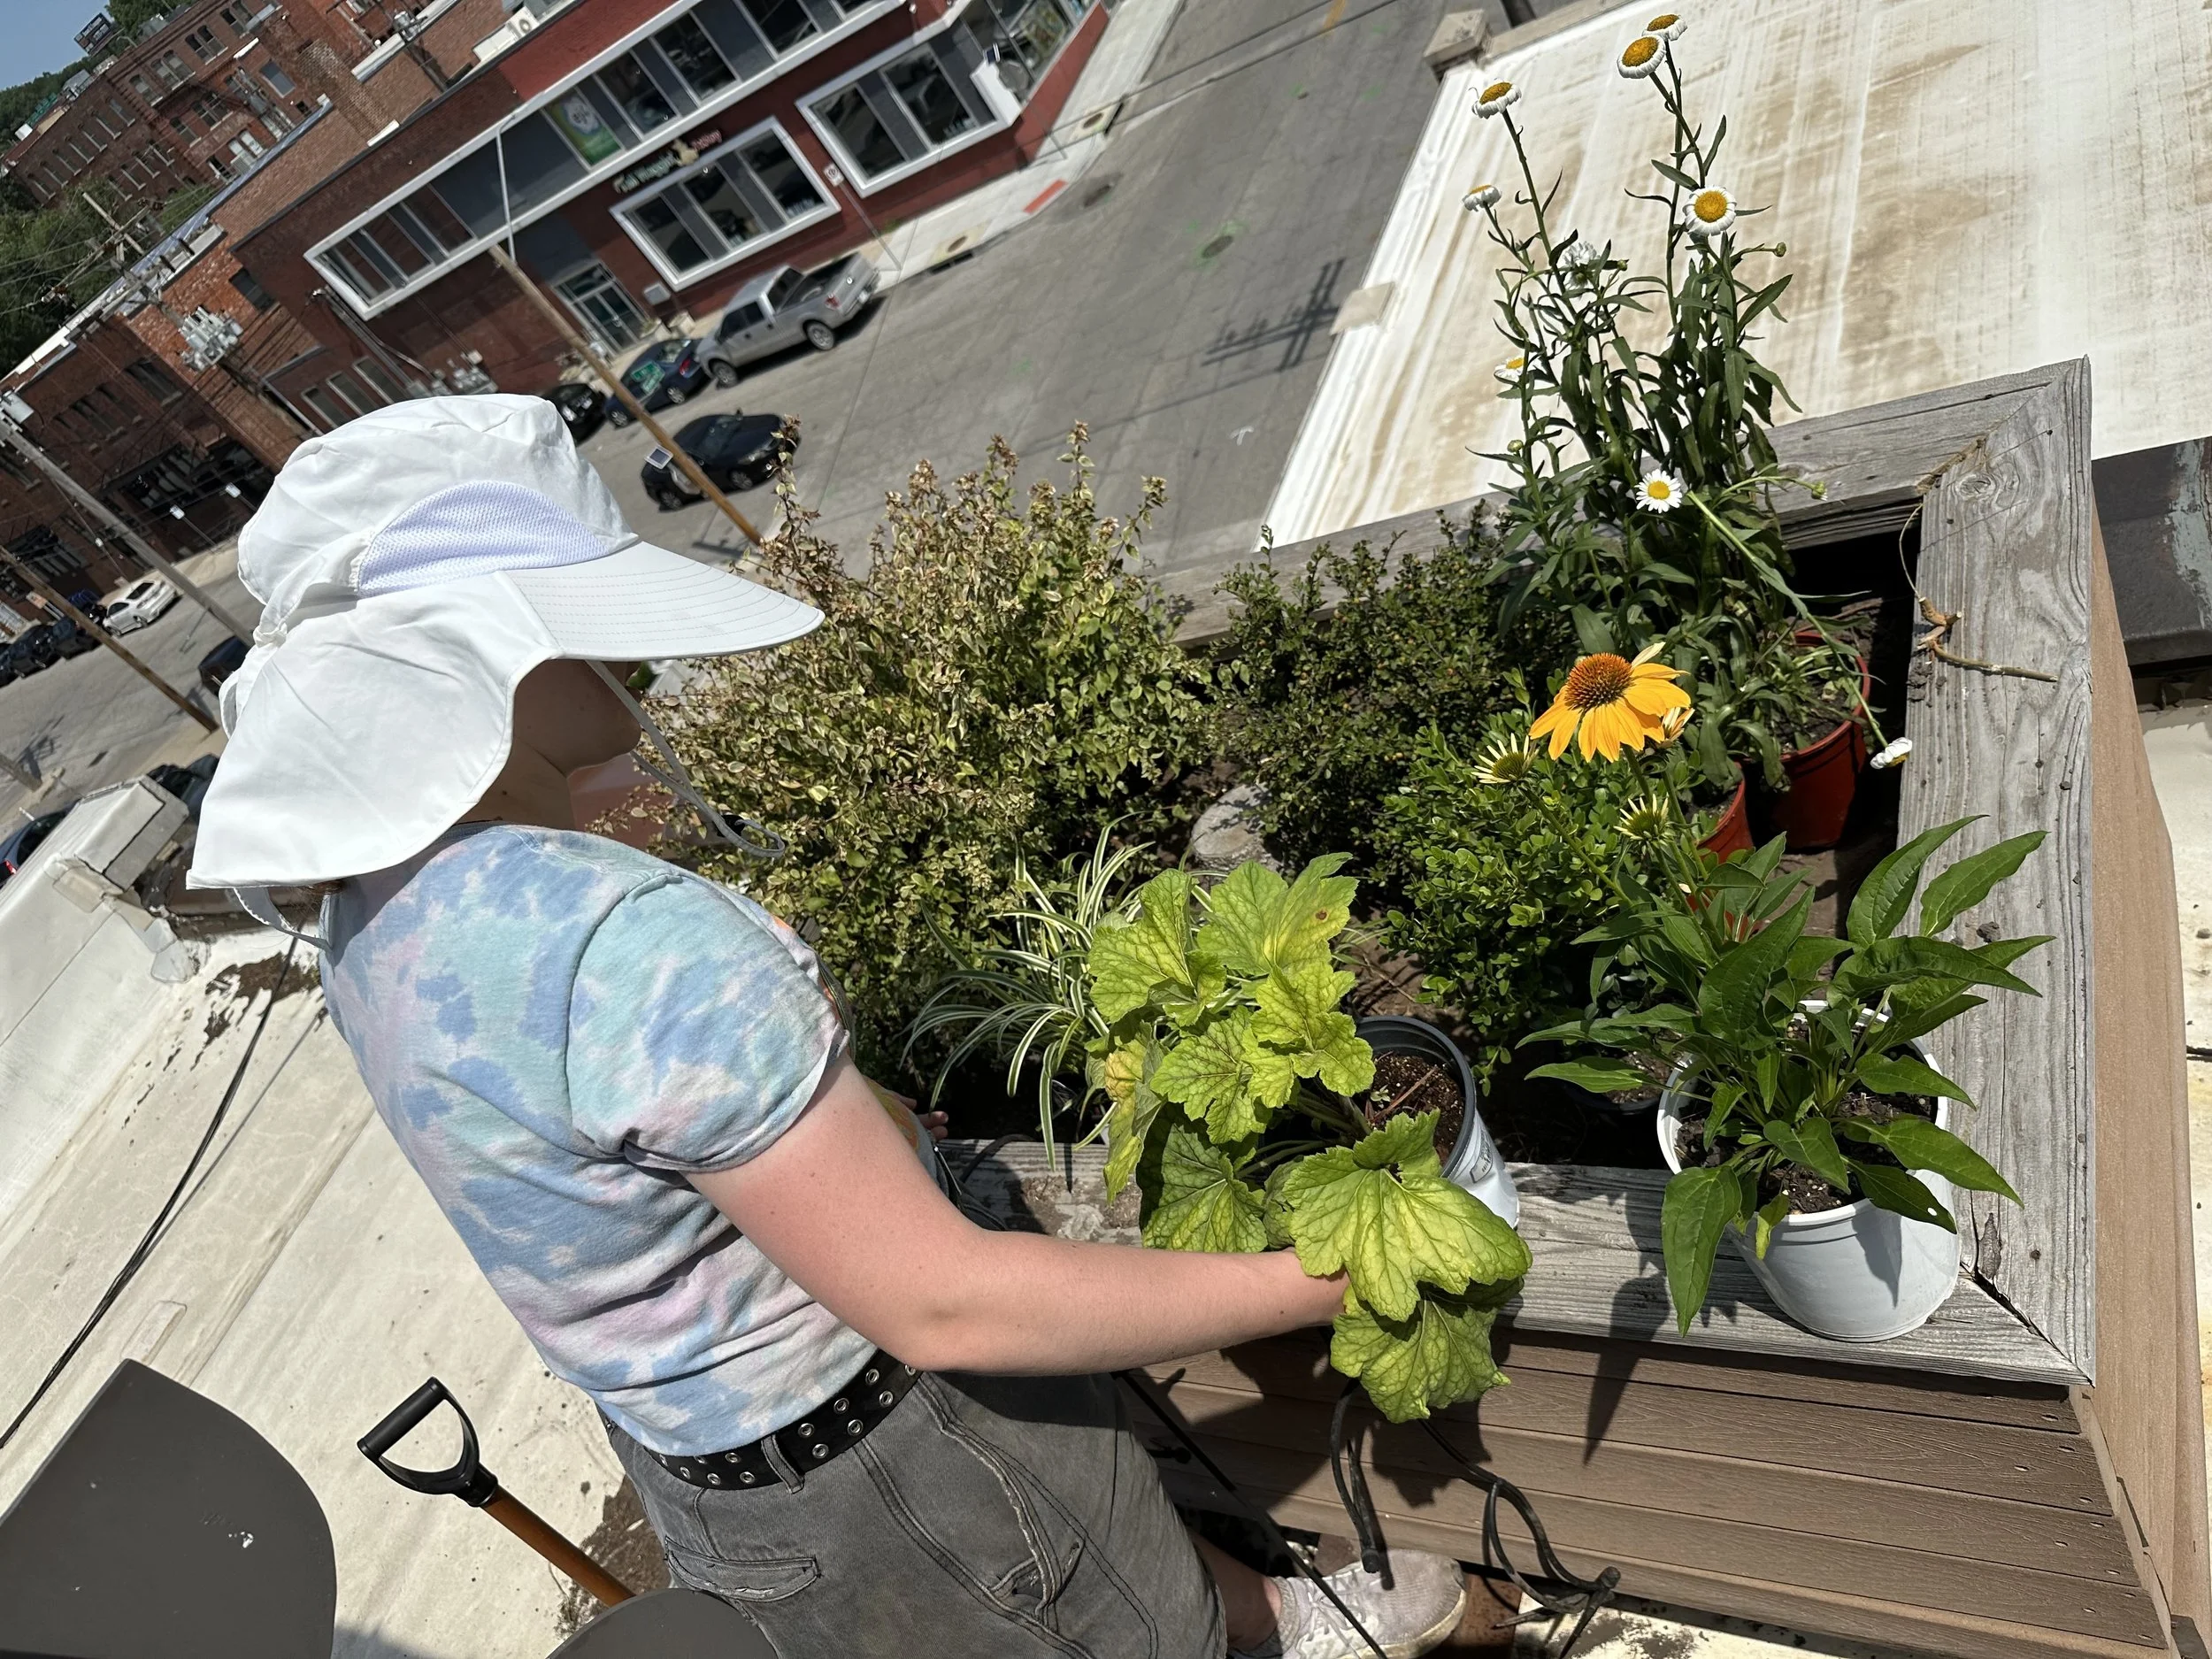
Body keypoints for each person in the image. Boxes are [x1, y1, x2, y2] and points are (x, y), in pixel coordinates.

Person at [189, 397, 1471, 1659]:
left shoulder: (376, 923)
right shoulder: (630, 944)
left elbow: (626, 1151)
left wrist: (869, 1135)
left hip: (719, 1482)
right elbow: (949, 1307)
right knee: (1112, 1611)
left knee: (1104, 1542)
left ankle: (1277, 1617)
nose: (634, 661)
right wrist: (1324, 1278)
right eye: (582, 624)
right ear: (480, 660)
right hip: (907, 1458)